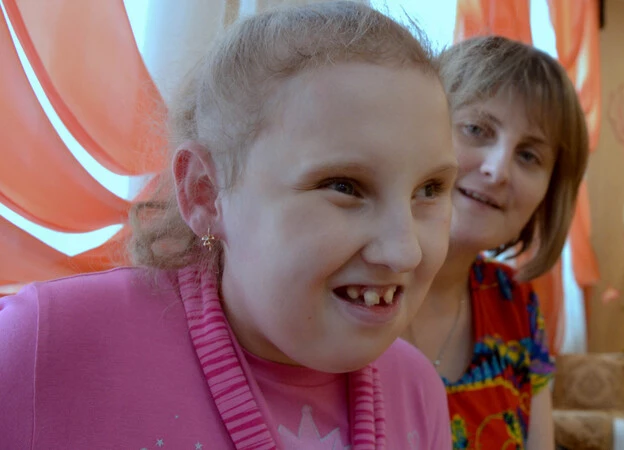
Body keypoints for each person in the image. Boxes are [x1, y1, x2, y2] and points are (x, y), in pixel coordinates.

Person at [0, 2, 458, 448]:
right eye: (344, 186)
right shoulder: (45, 346)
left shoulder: (417, 391)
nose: (405, 251)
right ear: (205, 193)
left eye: (430, 189)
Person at [403, 36, 589, 450]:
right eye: (476, 130)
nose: (498, 169)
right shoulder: (347, 284)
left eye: (529, 156)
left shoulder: (518, 307)